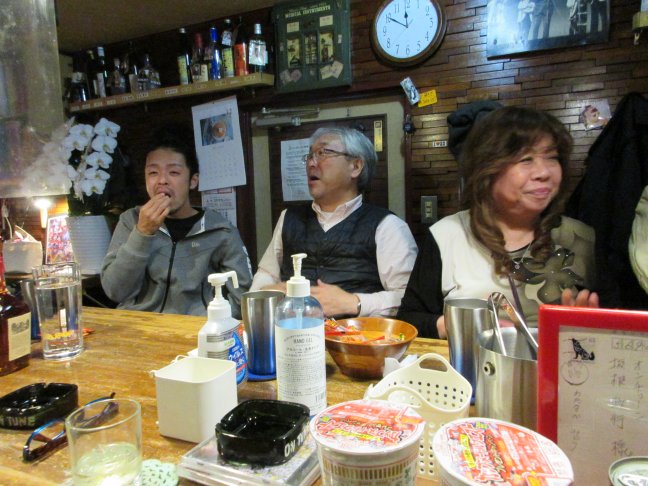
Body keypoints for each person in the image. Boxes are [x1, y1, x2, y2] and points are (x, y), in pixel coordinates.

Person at [397, 106, 598, 338]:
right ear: (486, 169)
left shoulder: (581, 238)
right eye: (526, 159)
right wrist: (453, 325)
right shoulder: (447, 235)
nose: (543, 172)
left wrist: (590, 328)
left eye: (552, 157)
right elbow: (408, 320)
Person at [251, 127, 418, 318]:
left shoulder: (388, 226)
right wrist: (269, 292)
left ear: (355, 166)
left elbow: (410, 299)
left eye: (323, 153)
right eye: (310, 156)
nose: (311, 163)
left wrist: (354, 302)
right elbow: (265, 275)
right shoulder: (289, 217)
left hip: (357, 334)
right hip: (291, 331)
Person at [101, 125, 252, 317]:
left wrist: (210, 321)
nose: (162, 181)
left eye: (173, 172)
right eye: (153, 173)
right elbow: (115, 291)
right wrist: (142, 233)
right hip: (139, 327)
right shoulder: (130, 221)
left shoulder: (220, 230)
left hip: (195, 329)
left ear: (193, 181)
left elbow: (243, 299)